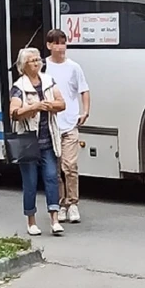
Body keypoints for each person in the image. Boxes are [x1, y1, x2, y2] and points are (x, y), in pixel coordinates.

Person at [9, 47, 67, 236]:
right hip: (28, 141)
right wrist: (33, 107)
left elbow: (62, 103)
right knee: (30, 182)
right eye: (32, 61)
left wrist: (48, 105)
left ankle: (54, 219)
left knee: (51, 177)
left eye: (38, 60)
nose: (37, 63)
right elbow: (14, 113)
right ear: (24, 65)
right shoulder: (19, 87)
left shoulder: (49, 82)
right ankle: (31, 221)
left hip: (48, 139)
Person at [43, 29, 89, 224]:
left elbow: (84, 90)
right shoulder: (43, 67)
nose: (61, 47)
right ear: (49, 45)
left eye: (63, 43)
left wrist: (85, 111)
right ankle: (61, 204)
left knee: (70, 165)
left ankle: (73, 204)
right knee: (56, 169)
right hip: (52, 125)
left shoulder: (74, 67)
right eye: (57, 43)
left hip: (70, 123)